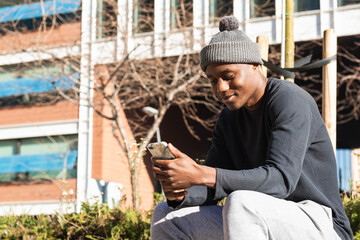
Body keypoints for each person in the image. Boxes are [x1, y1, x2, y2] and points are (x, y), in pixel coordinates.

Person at [150, 16, 353, 240]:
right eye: (212, 80)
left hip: (321, 225)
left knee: (241, 202)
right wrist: (182, 191)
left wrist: (202, 173)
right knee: (166, 215)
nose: (220, 88)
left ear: (256, 65)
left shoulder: (289, 100)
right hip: (257, 219)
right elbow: (213, 186)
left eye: (228, 76)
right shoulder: (228, 119)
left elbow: (280, 180)